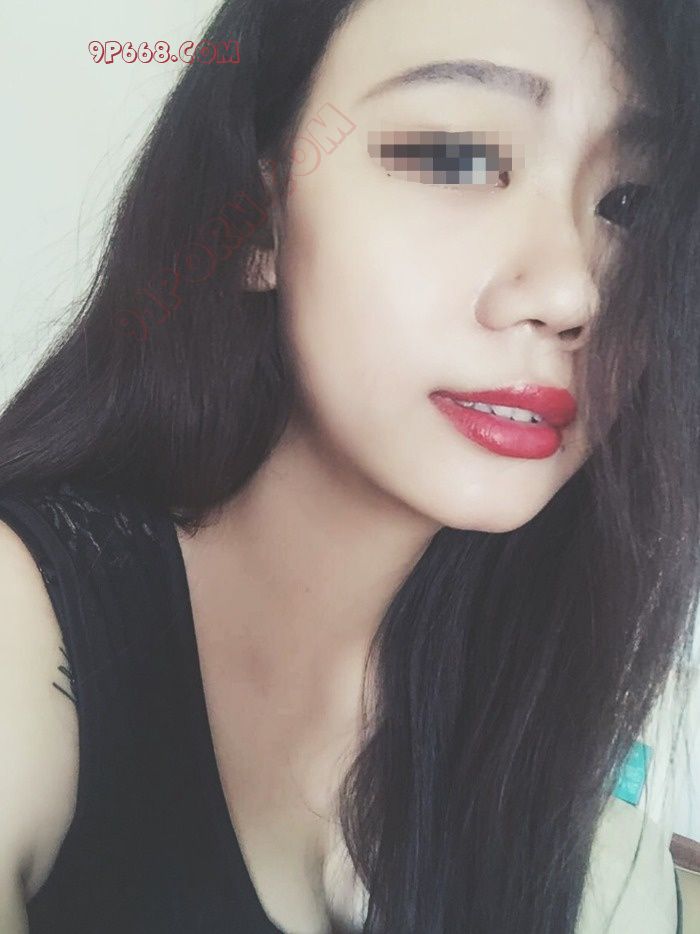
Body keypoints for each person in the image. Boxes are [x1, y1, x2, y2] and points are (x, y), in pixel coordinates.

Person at [0, 0, 697, 931]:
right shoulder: (26, 625)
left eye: (632, 206)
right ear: (257, 223)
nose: (573, 291)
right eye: (457, 157)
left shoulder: (542, 729)